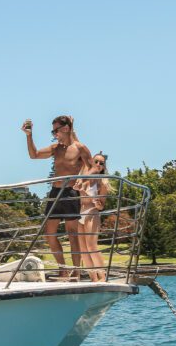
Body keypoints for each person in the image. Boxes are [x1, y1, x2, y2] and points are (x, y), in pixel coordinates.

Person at [22, 115, 93, 278]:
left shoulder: (80, 148)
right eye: (52, 131)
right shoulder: (56, 148)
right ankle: (63, 268)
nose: (54, 134)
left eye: (56, 130)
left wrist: (83, 180)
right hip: (55, 193)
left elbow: (92, 167)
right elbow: (34, 154)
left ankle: (76, 270)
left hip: (70, 193)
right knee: (49, 233)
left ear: (66, 129)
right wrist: (29, 135)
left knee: (73, 234)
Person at [75, 153, 110, 282]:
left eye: (102, 163)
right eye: (96, 162)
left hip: (92, 214)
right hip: (81, 214)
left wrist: (97, 203)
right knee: (83, 250)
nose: (98, 165)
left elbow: (101, 207)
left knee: (91, 247)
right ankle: (93, 279)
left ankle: (102, 277)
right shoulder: (85, 178)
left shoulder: (103, 184)